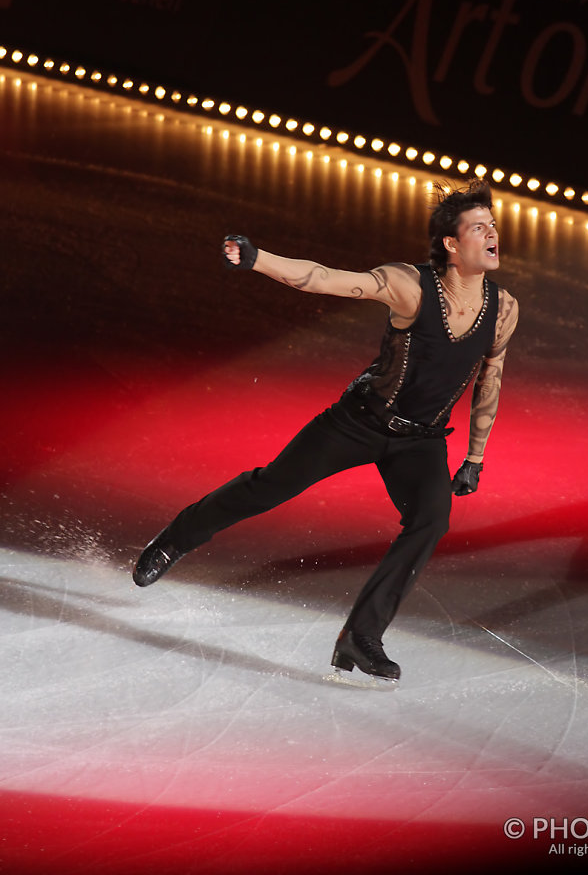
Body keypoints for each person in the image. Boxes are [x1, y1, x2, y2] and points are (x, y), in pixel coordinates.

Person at [133, 180, 518, 682]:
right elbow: (322, 278)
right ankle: (177, 538)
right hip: (358, 421)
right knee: (272, 485)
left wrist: (475, 456)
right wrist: (257, 259)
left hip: (420, 440)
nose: (493, 235)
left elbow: (491, 376)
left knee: (431, 519)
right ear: (451, 244)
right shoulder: (409, 285)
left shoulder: (504, 309)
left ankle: (360, 638)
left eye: (493, 226)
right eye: (479, 227)